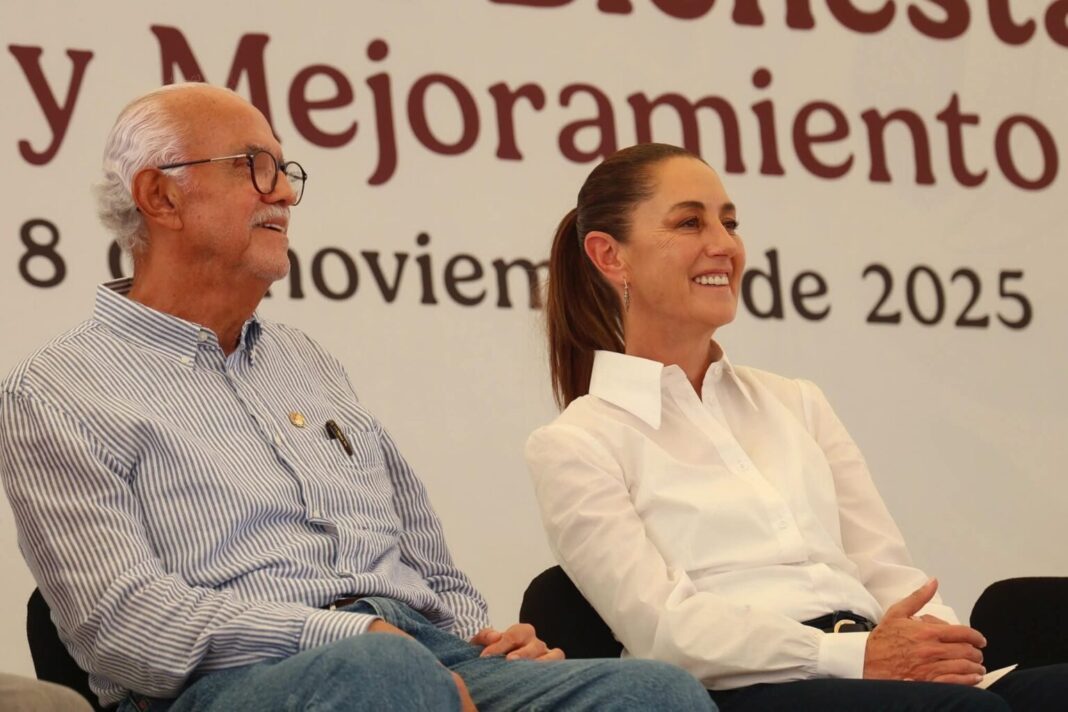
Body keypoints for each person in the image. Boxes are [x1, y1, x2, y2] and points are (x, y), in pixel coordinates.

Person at [0, 86, 716, 712]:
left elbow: (427, 560)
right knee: (380, 674)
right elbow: (119, 625)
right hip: (232, 683)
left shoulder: (306, 363)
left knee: (653, 694)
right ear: (161, 197)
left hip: (421, 652)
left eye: (286, 172)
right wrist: (351, 634)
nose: (284, 193)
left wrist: (485, 637)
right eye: (254, 166)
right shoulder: (60, 391)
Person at [525, 142, 1068, 711]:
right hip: (749, 690)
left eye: (730, 223)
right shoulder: (575, 443)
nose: (724, 244)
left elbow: (885, 568)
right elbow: (664, 630)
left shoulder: (797, 401)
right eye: (690, 223)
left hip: (876, 670)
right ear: (610, 256)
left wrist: (939, 648)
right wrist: (852, 656)